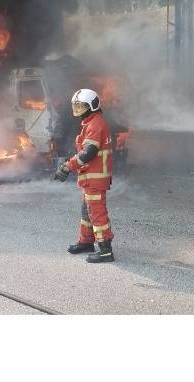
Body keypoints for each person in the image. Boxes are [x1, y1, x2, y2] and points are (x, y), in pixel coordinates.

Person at [53, 88, 116, 263]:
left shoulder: (95, 124)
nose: (78, 110)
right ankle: (86, 242)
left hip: (95, 178)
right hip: (90, 178)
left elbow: (89, 153)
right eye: (76, 106)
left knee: (97, 213)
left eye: (81, 106)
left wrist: (67, 166)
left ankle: (105, 250)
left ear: (92, 106)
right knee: (87, 212)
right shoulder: (91, 122)